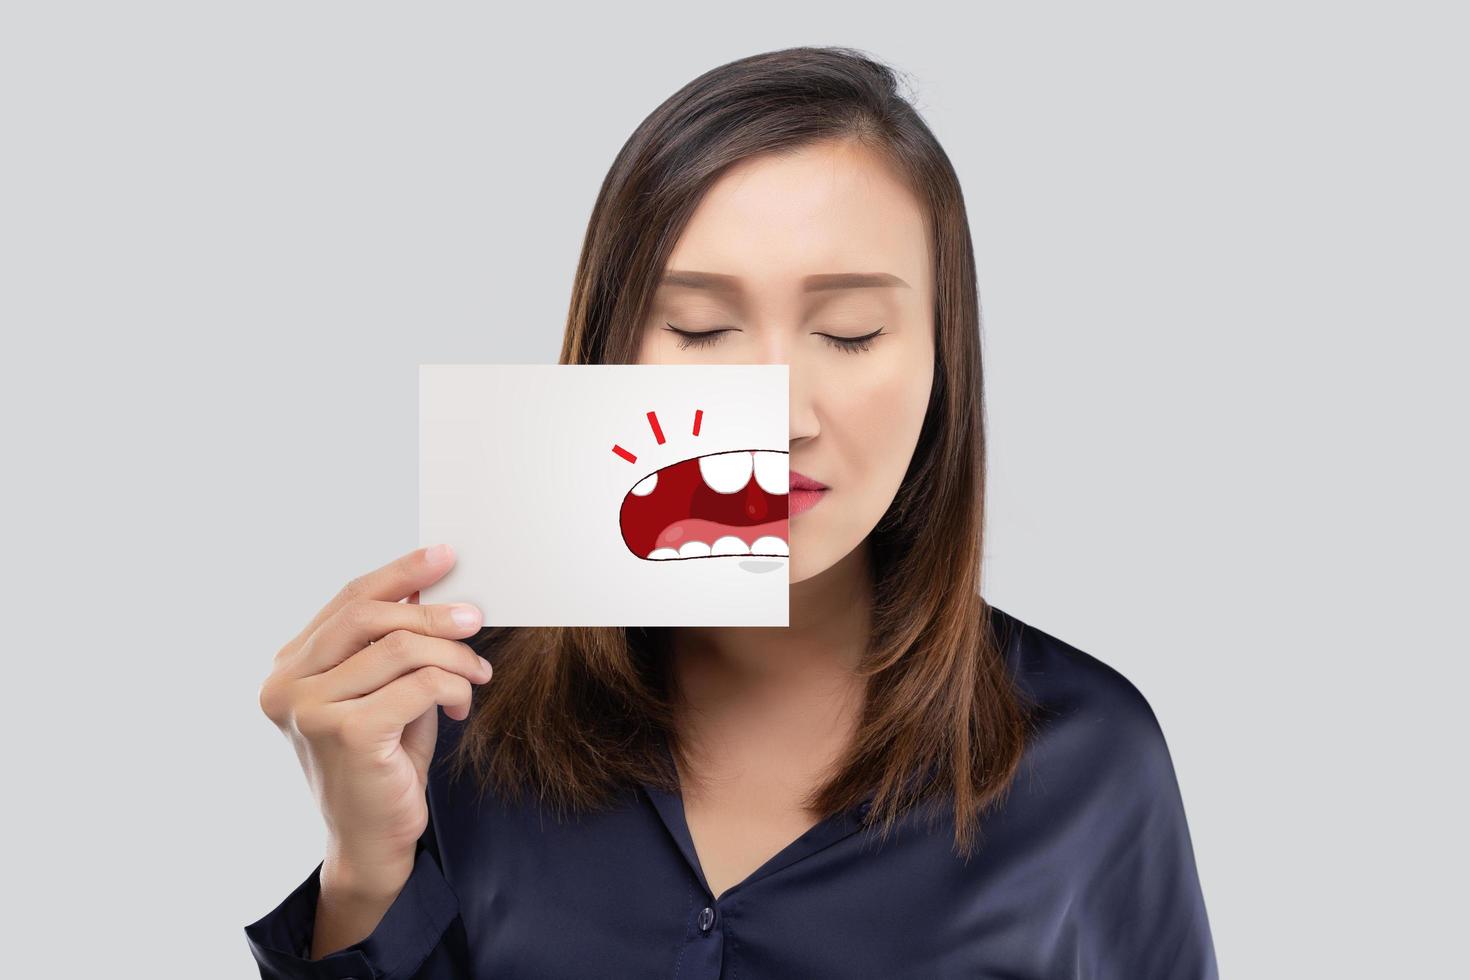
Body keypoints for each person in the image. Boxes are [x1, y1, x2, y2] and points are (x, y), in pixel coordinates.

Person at [245, 46, 1218, 979]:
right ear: (610, 350)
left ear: (942, 364)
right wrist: (364, 873)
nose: (781, 419)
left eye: (850, 332)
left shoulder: (1092, 757)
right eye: (702, 328)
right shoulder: (461, 719)